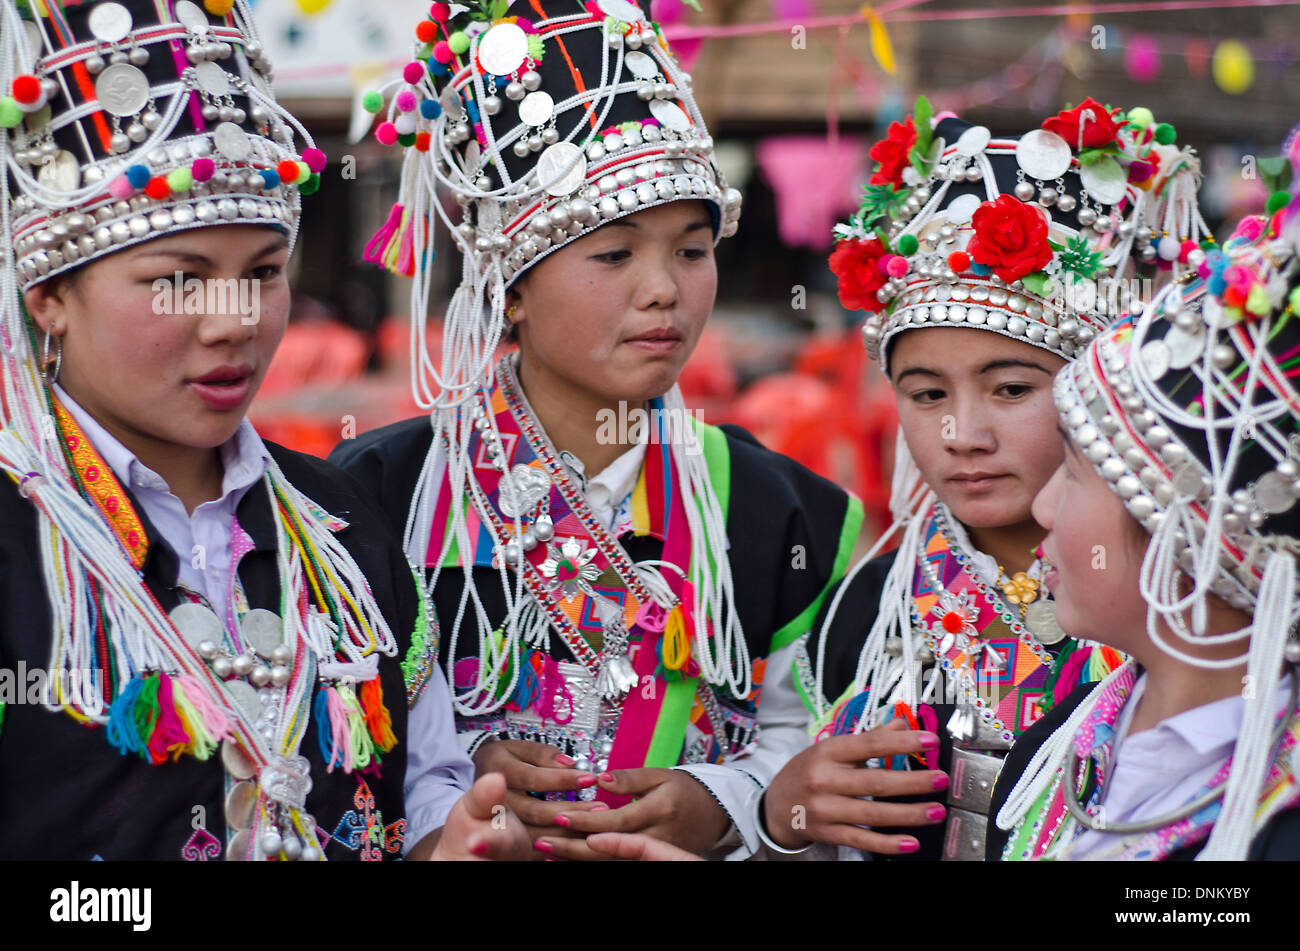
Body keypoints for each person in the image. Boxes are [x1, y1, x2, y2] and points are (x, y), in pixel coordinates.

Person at [330, 0, 861, 858]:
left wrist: (722, 802)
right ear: (512, 286)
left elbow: (808, 734)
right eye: (613, 255)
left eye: (692, 250)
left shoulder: (781, 509)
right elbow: (338, 736)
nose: (664, 291)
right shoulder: (378, 491)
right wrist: (463, 769)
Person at [0, 0, 526, 861]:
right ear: (50, 294)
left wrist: (447, 840)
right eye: (180, 279)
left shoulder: (340, 523)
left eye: (264, 273)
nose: (234, 320)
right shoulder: (19, 539)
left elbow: (426, 776)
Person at [758, 96, 1209, 859]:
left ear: (1100, 389)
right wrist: (784, 816)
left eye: (1010, 389)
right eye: (927, 394)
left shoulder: (1178, 604)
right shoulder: (859, 618)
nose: (963, 435)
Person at [990, 199, 1300, 860]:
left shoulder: (1281, 829)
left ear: (1186, 531)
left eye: (1074, 472)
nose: (1043, 508)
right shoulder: (1048, 756)